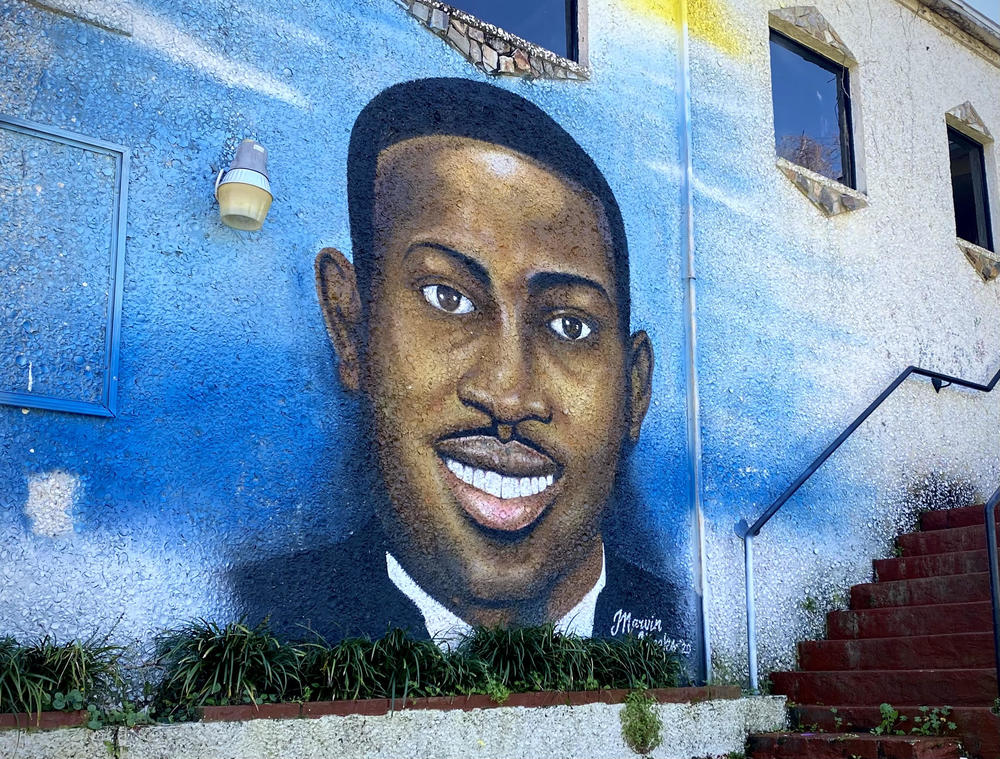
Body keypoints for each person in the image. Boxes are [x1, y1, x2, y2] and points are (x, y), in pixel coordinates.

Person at [232, 78, 687, 653]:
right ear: (351, 325)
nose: (508, 393)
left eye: (570, 325)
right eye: (448, 298)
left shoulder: (687, 628)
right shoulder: (264, 620)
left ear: (635, 389)